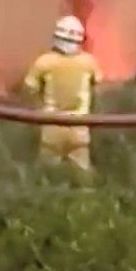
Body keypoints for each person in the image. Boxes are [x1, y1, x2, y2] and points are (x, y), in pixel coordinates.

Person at [23, 15, 99, 171]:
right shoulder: (89, 62)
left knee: (47, 171)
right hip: (79, 125)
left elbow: (29, 88)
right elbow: (96, 84)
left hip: (51, 123)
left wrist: (39, 109)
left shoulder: (44, 61)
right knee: (82, 171)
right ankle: (87, 195)